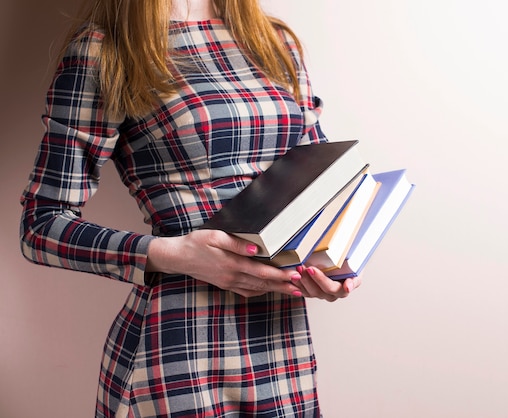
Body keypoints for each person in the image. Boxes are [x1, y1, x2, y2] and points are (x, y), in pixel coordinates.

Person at [19, 0, 361, 416]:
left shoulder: (274, 42)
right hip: (180, 345)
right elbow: (41, 226)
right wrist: (175, 254)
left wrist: (328, 264)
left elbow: (319, 185)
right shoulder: (103, 52)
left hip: (279, 341)